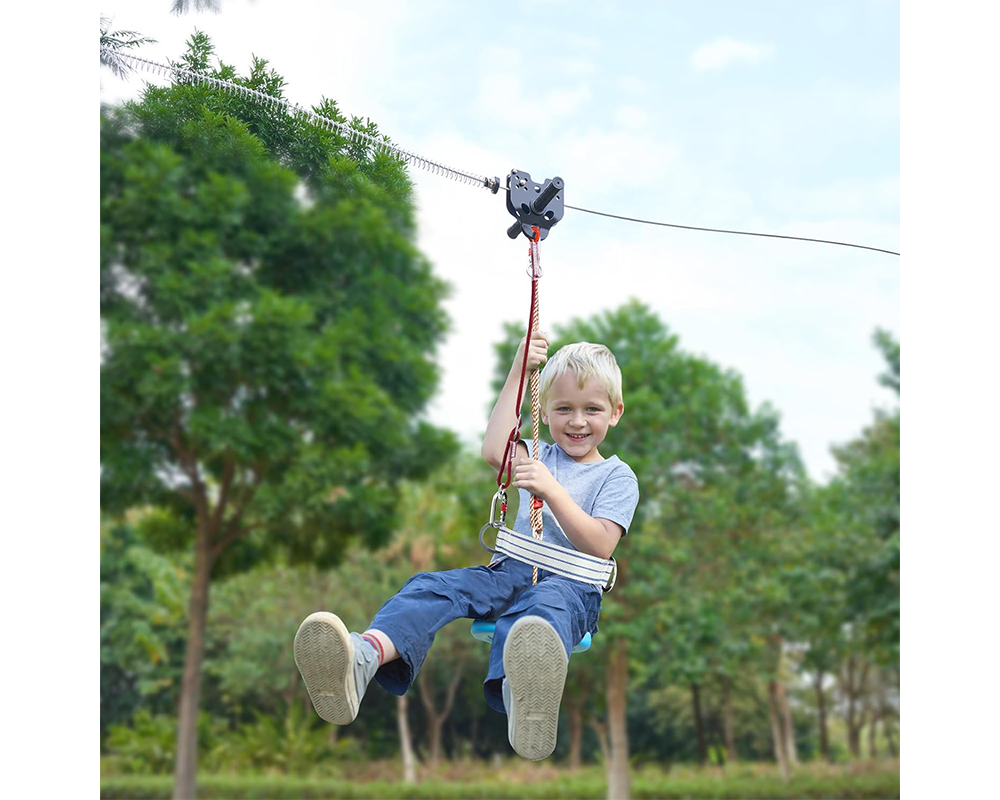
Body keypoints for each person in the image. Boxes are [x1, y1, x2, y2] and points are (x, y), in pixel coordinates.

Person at [293, 335, 640, 760]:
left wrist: (551, 490)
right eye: (564, 408)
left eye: (592, 410)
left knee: (541, 608)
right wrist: (519, 369)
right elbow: (493, 449)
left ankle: (526, 697)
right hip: (509, 572)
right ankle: (364, 657)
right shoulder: (538, 455)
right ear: (545, 411)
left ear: (615, 413)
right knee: (431, 587)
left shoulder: (617, 477)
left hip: (570, 588)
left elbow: (600, 544)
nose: (577, 421)